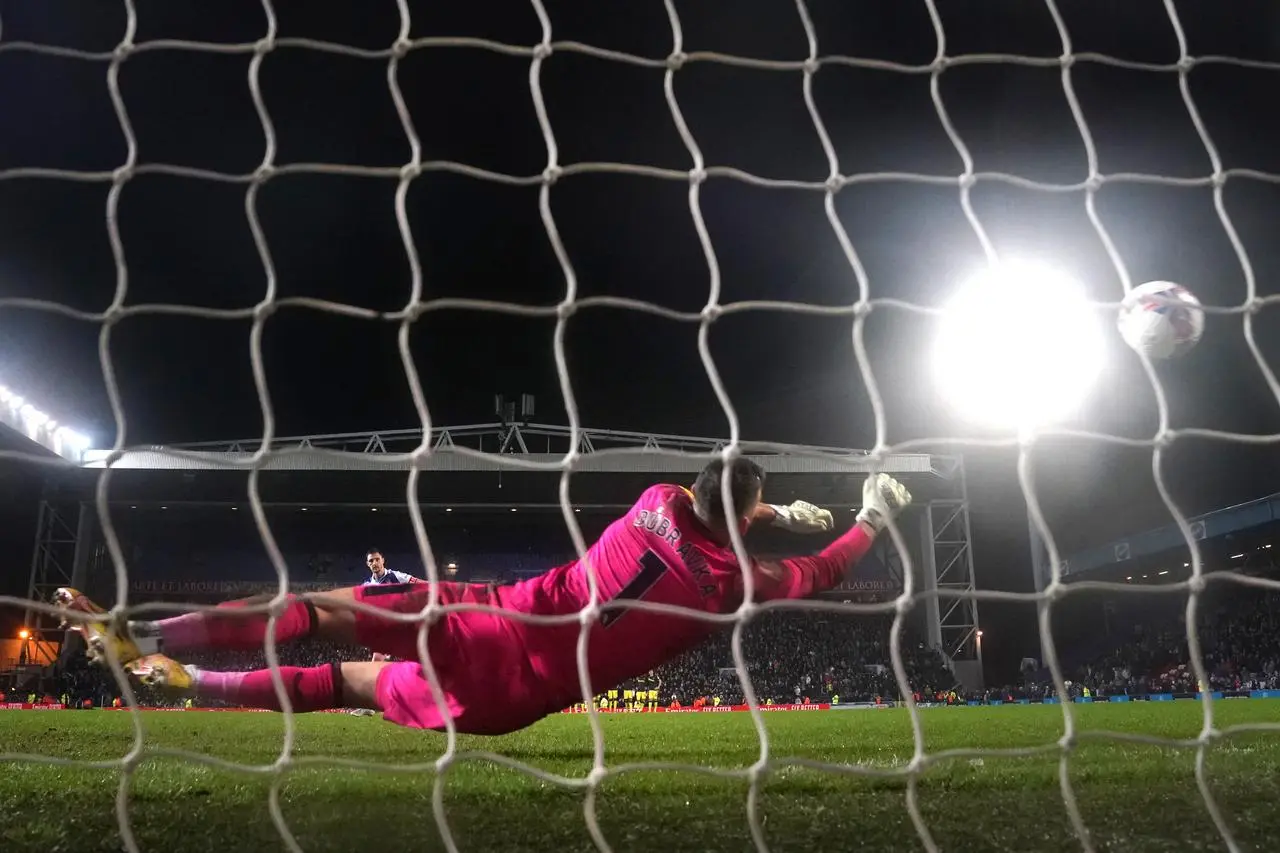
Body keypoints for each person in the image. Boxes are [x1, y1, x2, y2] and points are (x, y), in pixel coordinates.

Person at [55, 458, 910, 736]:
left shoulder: (652, 499)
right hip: (512, 700)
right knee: (350, 681)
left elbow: (711, 503)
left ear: (689, 490)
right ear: (745, 515)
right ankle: (188, 687)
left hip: (486, 618)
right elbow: (821, 569)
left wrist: (769, 507)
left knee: (318, 609)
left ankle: (149, 634)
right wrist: (865, 515)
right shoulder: (730, 587)